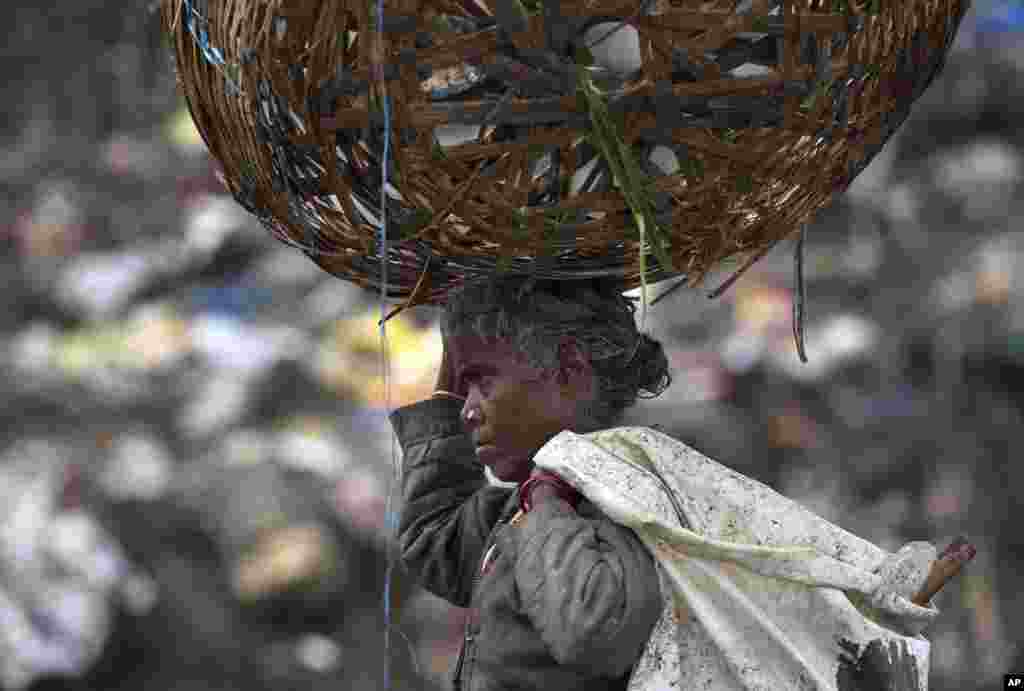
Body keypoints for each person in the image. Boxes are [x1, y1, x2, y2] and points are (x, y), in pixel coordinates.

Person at [389, 275, 672, 691]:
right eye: (465, 387)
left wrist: (545, 494)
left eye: (482, 382)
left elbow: (594, 631)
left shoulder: (631, 501)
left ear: (570, 368)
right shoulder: (527, 509)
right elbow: (436, 540)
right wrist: (460, 324)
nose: (467, 411)